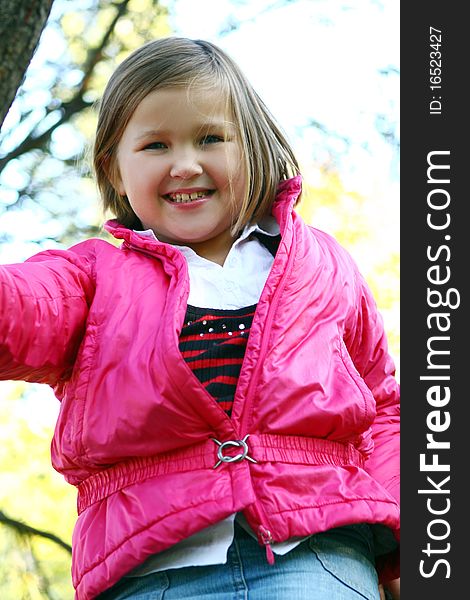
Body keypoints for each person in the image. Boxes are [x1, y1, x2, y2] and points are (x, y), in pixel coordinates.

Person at [0, 37, 400, 600]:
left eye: (210, 138)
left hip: (316, 555)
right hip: (153, 573)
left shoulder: (321, 266)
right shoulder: (93, 280)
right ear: (115, 170)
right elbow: (21, 309)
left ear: (252, 149)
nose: (185, 164)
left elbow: (381, 410)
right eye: (156, 145)